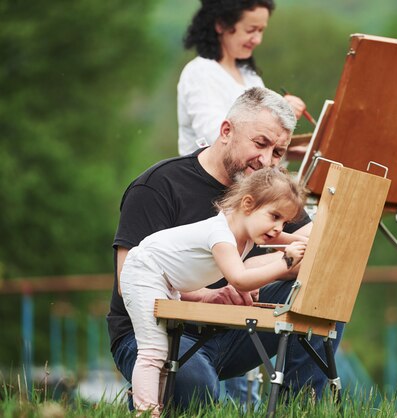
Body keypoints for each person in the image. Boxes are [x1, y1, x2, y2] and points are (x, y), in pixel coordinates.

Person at [107, 87, 344, 411]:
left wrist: (269, 268)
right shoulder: (159, 185)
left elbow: (322, 253)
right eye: (260, 144)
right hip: (160, 328)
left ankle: (299, 408)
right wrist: (207, 295)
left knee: (326, 287)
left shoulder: (270, 191)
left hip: (233, 329)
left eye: (278, 152)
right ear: (226, 131)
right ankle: (151, 395)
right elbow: (126, 281)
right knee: (198, 391)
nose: (266, 161)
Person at [120, 166, 307, 416]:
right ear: (248, 204)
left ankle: (159, 408)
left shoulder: (250, 229)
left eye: (284, 221)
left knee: (165, 354)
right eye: (275, 217)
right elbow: (240, 280)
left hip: (166, 280)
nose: (278, 228)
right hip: (144, 270)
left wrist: (308, 243)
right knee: (153, 351)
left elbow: (289, 239)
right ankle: (145, 412)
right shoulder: (221, 235)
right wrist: (286, 261)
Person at [177, 0, 307, 156]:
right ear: (221, 25)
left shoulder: (249, 75)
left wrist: (285, 147)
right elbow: (217, 137)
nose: (257, 39)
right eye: (251, 30)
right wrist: (278, 114)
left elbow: (259, 139)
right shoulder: (200, 72)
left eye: (261, 30)